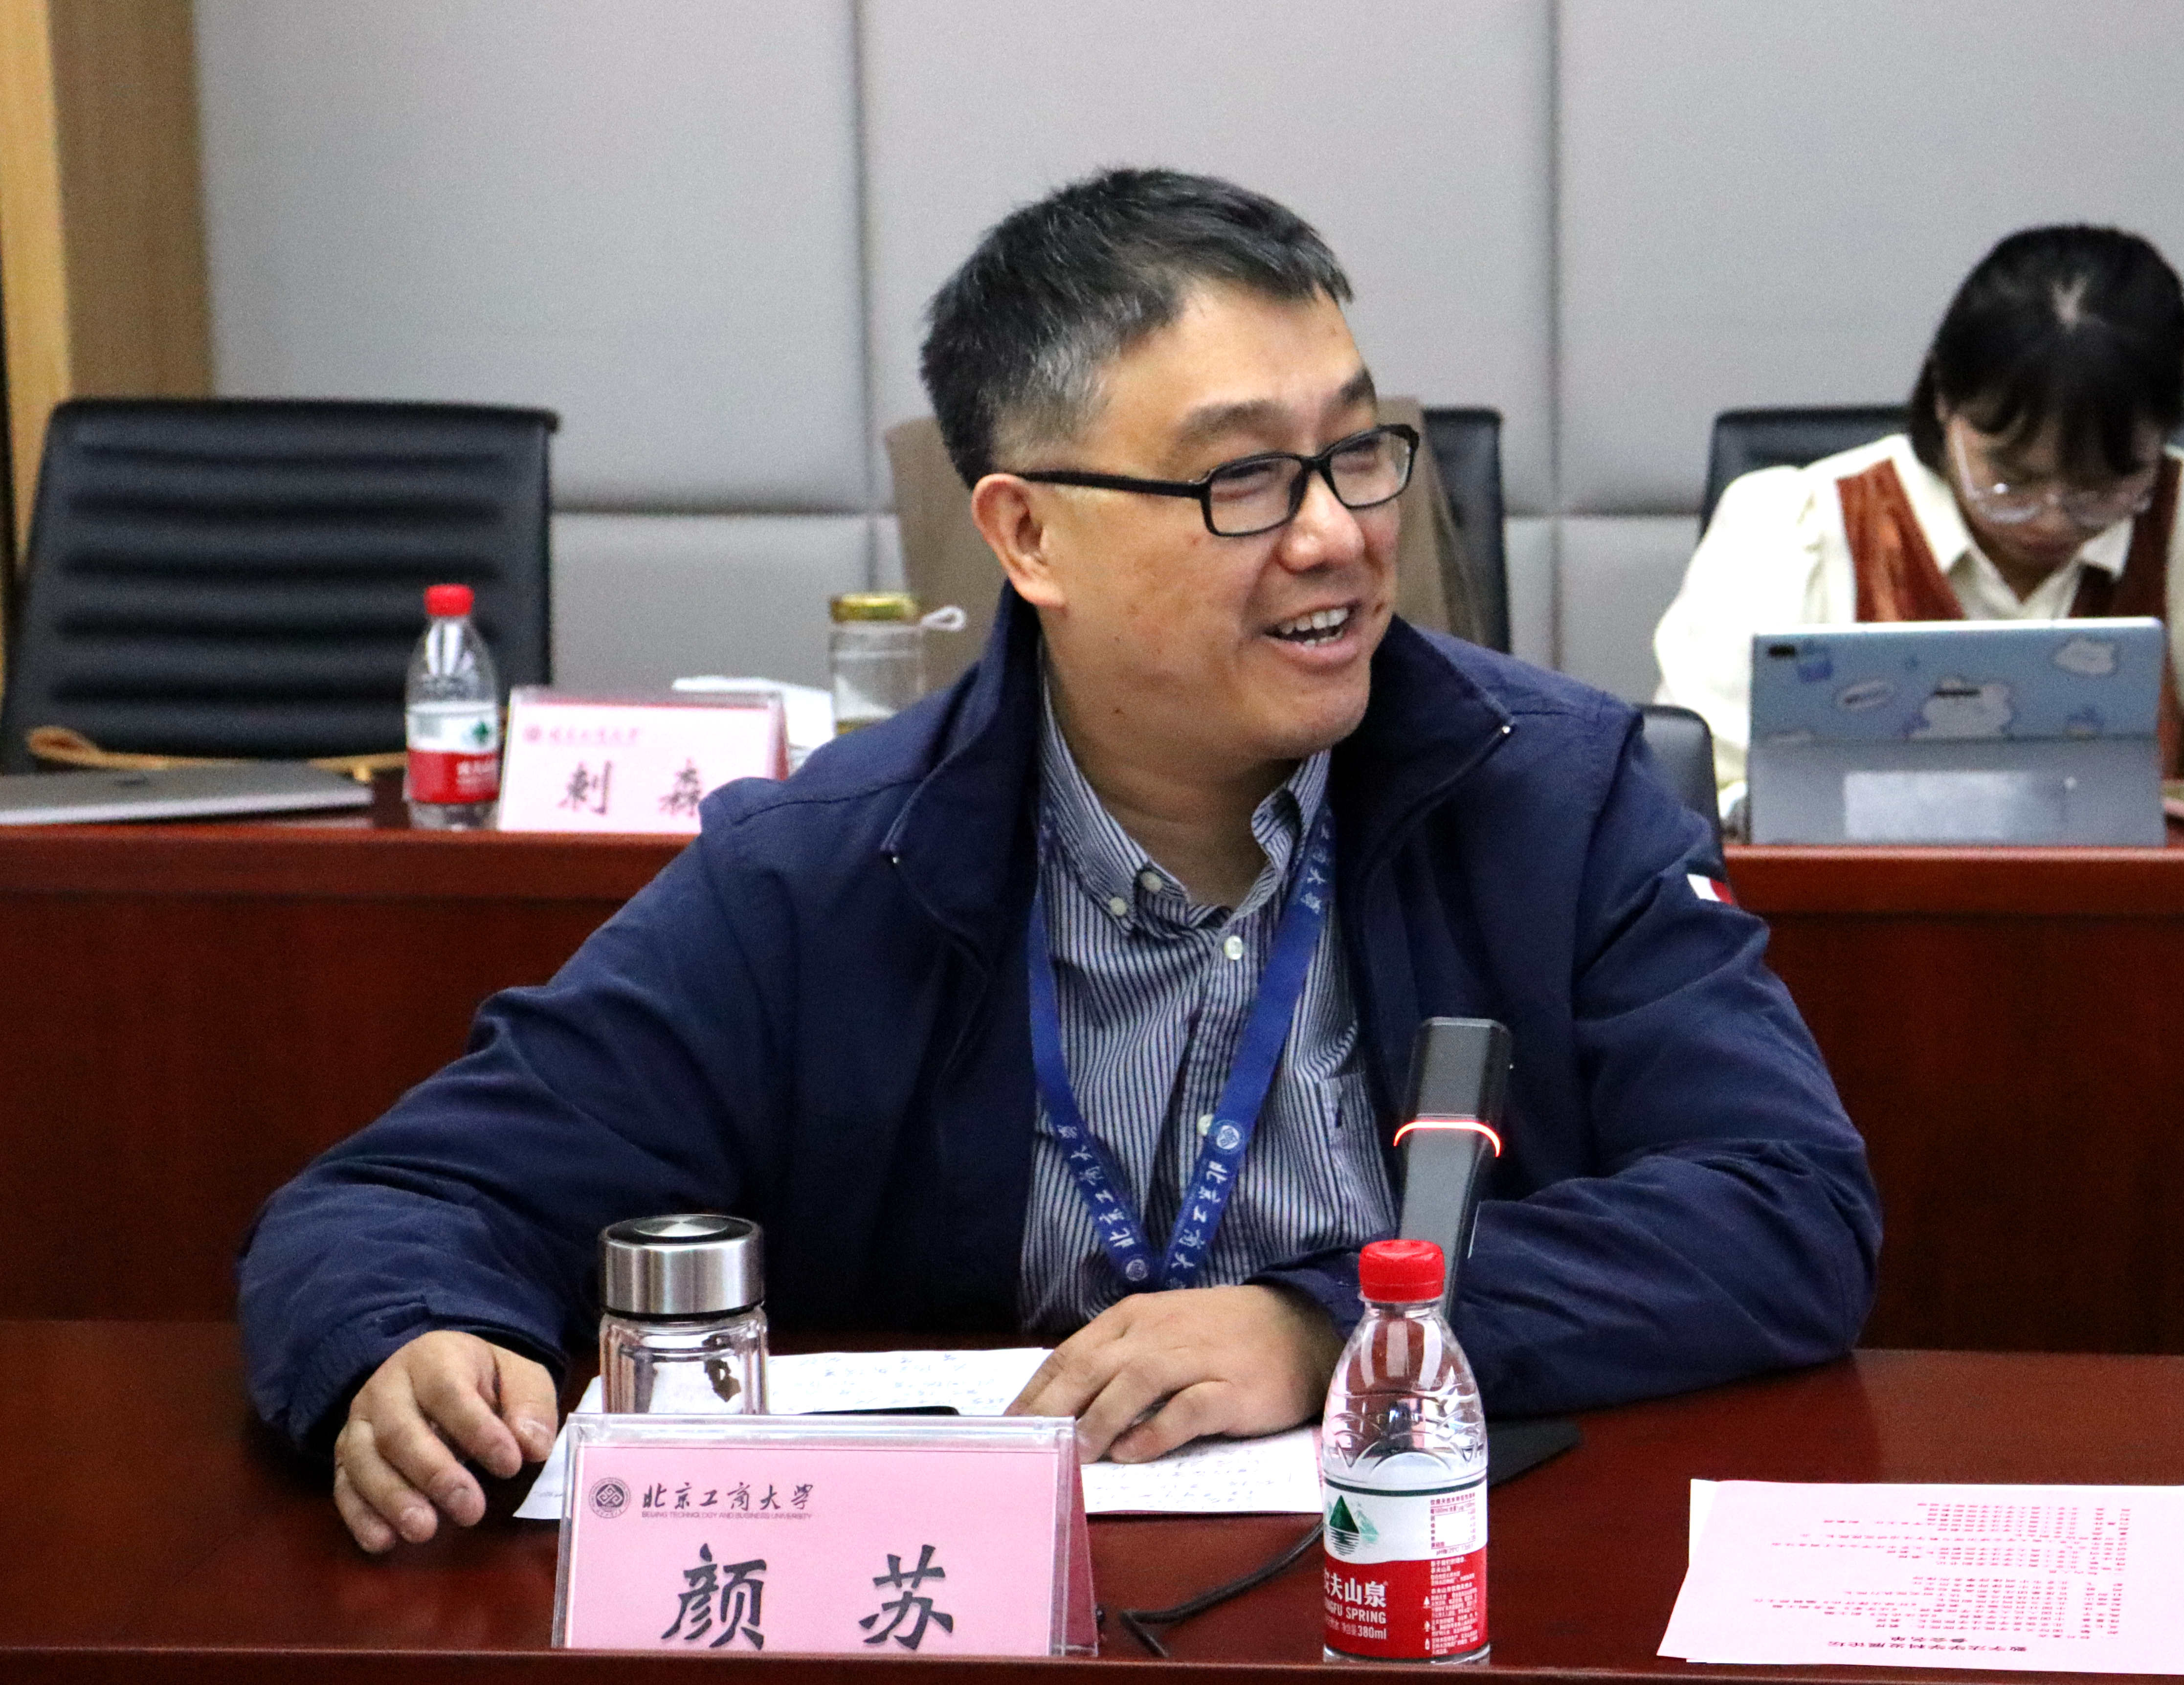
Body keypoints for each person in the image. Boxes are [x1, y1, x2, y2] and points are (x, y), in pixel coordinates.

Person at [240, 168, 1879, 1554]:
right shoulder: (835, 867)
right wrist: (412, 1343)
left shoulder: (1554, 797)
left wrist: (1329, 1322)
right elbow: (402, 1197)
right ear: (1028, 535)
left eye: (1359, 450)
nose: (1335, 533)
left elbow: (1786, 1205)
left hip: (1439, 1582)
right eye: (1244, 476)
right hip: (967, 1602)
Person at [1653, 224, 2184, 819]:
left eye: (2100, 488)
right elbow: (1687, 801)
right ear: (1944, 399)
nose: (2051, 518)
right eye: (2012, 476)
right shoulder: (1793, 526)